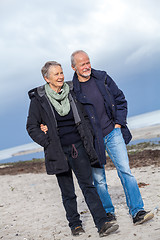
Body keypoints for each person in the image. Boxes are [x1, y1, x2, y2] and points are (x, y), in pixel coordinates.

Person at [26, 61, 119, 237]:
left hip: (79, 147)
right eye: (56, 74)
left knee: (88, 186)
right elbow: (31, 127)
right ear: (47, 78)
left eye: (61, 73)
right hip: (57, 151)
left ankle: (102, 224)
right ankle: (75, 225)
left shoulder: (72, 92)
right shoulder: (39, 100)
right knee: (67, 191)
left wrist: (89, 137)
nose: (61, 76)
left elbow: (84, 116)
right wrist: (47, 142)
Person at [70, 50, 154, 225]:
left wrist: (118, 123)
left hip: (113, 132)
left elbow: (120, 99)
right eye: (82, 64)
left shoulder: (102, 77)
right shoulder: (73, 91)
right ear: (74, 67)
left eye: (88, 62)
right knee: (99, 180)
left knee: (126, 172)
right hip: (93, 141)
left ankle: (137, 211)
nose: (86, 66)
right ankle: (108, 213)